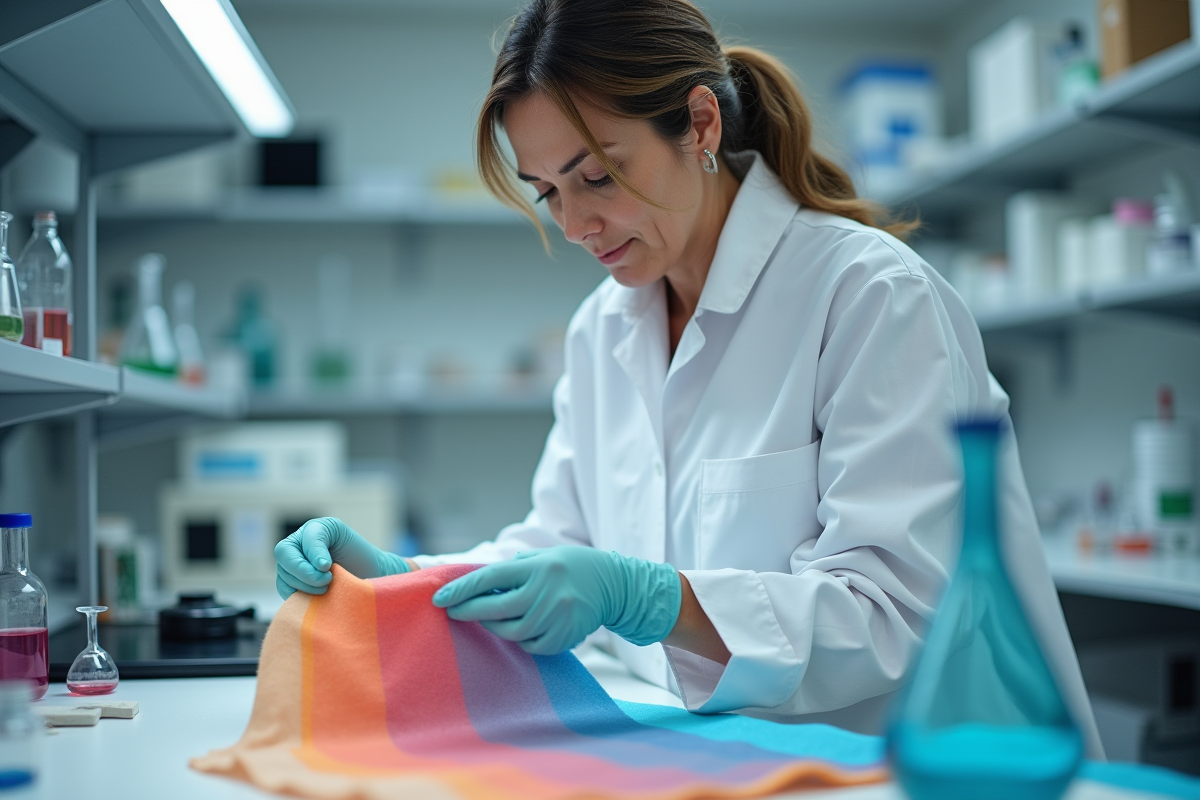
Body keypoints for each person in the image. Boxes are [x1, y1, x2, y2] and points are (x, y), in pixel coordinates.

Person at [275, 0, 1101, 753]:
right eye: (547, 192)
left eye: (597, 175)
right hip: (719, 759)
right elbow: (556, 548)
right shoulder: (604, 328)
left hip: (920, 766)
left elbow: (892, 618)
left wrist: (655, 599)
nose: (574, 224)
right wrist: (399, 583)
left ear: (700, 125)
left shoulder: (869, 295)